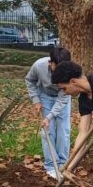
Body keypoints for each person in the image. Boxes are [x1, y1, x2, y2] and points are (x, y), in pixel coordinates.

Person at [25, 46, 73, 179]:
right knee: (48, 132)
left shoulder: (70, 73)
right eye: (56, 67)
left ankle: (63, 165)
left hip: (62, 97)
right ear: (50, 63)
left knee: (63, 131)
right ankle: (51, 166)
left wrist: (49, 116)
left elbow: (63, 99)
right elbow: (30, 80)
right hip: (45, 96)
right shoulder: (38, 66)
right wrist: (36, 100)